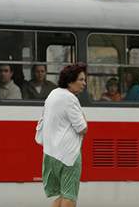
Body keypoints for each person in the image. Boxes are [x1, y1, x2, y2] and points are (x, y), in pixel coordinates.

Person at [41, 63, 88, 207]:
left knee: (63, 194)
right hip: (68, 155)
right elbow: (82, 128)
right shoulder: (70, 98)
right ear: (70, 81)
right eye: (81, 80)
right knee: (69, 196)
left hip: (52, 153)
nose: (84, 83)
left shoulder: (53, 94)